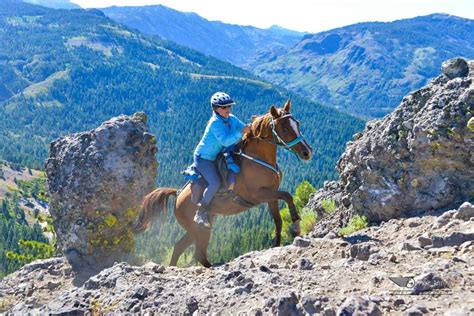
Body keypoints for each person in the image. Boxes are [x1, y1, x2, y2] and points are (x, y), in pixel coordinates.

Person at [193, 92, 251, 228]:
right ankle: (200, 212)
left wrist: (250, 127)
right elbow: (225, 141)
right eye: (224, 107)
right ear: (215, 109)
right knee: (214, 182)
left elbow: (243, 127)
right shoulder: (215, 123)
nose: (228, 110)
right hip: (204, 158)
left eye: (229, 107)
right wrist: (242, 132)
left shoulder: (232, 118)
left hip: (217, 154)